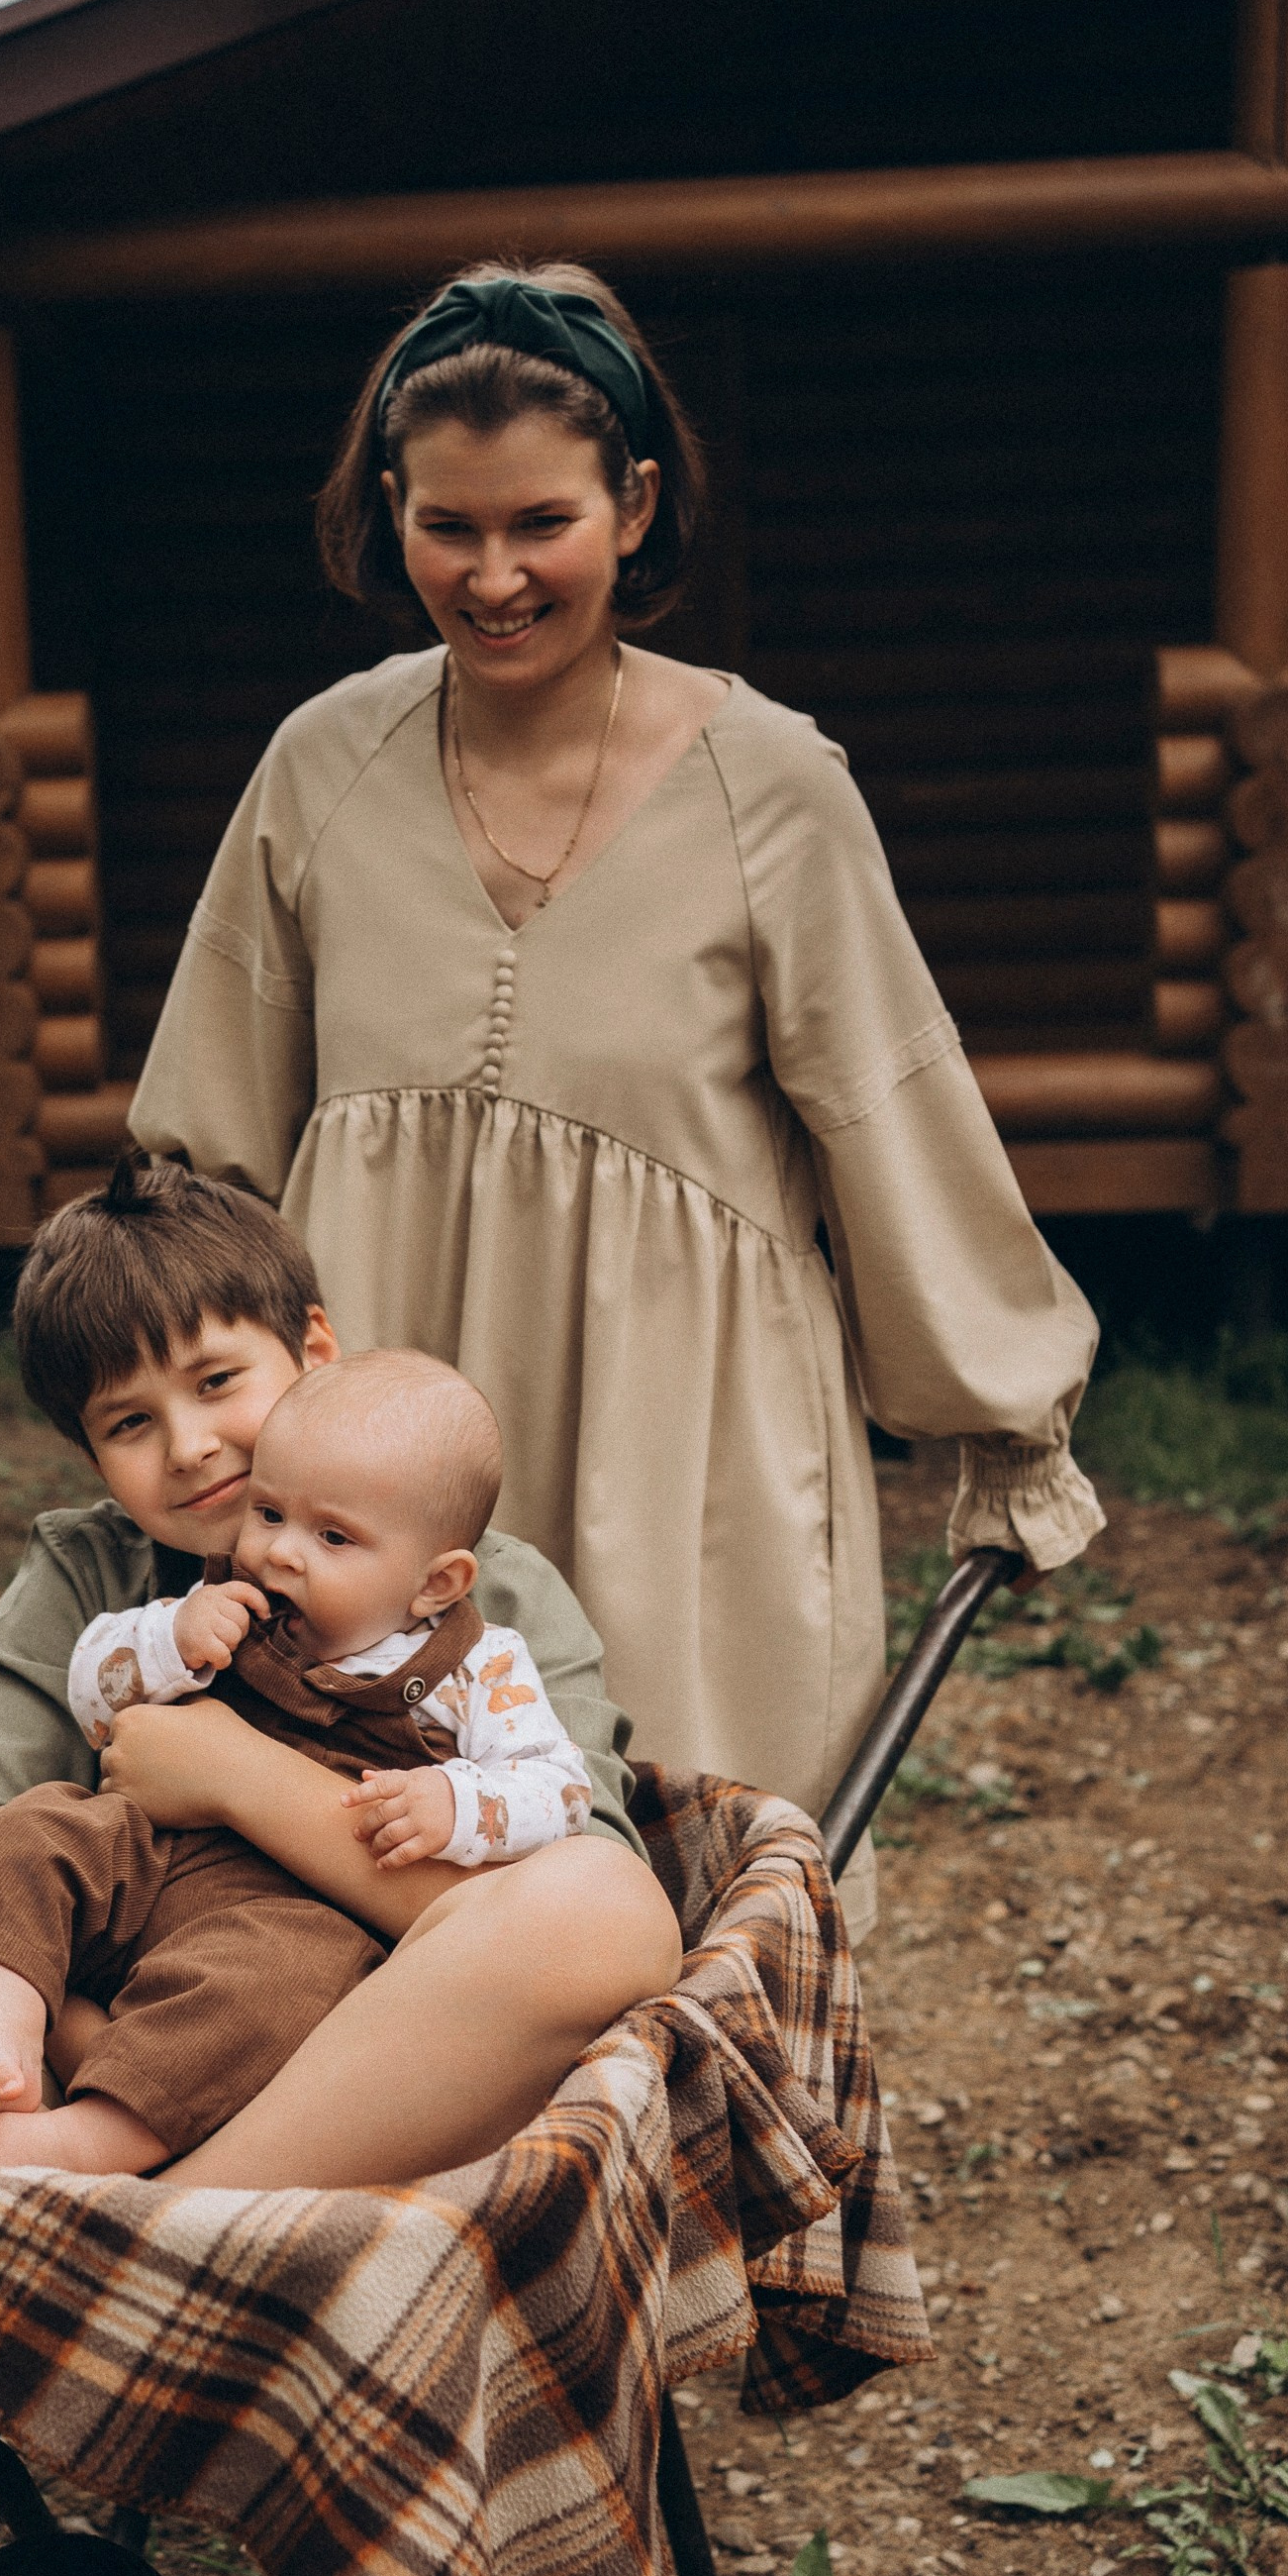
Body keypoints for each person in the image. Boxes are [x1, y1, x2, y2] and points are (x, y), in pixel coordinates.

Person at [126, 258, 1105, 1924]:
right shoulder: (321, 767)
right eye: (448, 526)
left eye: (542, 524)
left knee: (687, 1876)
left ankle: (748, 2168)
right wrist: (189, 1413)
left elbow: (891, 1112)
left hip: (685, 1446)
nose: (494, 576)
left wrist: (1005, 1423)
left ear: (635, 505)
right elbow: (205, 1144)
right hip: (384, 1459)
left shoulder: (772, 790)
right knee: (370, 1867)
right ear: (391, 509)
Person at [0, 1163, 682, 2187]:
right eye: (129, 1423)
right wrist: (107, 2050)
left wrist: (230, 1774)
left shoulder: (480, 1592)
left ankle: (164, 2219)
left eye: (218, 1382)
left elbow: (565, 1873)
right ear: (88, 1453)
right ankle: (83, 2181)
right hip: (76, 2046)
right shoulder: (88, 1576)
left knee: (606, 1914)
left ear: (314, 1351)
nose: (191, 1447)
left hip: (353, 2058)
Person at [0, 1346, 595, 2175]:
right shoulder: (226, 1601)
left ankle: (90, 2141)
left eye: (333, 1536)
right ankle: (0, 2031)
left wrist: (460, 1804)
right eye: (269, 1514)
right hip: (148, 1854)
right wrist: (169, 1642)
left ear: (435, 1583)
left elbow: (560, 1791)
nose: (281, 1553)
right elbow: (91, 1694)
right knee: (31, 1832)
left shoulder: (479, 1668)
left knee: (275, 1994)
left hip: (294, 1908)